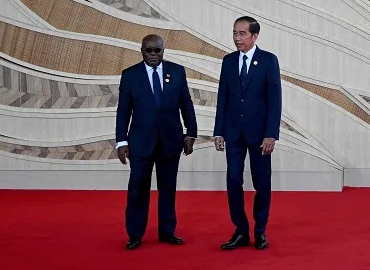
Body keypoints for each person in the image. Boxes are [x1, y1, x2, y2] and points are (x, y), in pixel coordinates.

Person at [116, 34, 198, 250]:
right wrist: (121, 141)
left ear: (163, 50)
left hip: (171, 141)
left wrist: (191, 133)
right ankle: (135, 234)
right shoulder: (130, 75)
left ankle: (167, 231)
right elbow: (123, 111)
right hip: (140, 143)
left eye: (157, 50)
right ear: (141, 51)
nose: (153, 54)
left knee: (168, 188)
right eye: (148, 51)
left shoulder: (177, 72)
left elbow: (186, 104)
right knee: (137, 189)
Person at [213, 16, 282, 251]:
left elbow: (275, 100)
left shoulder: (269, 60)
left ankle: (260, 230)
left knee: (262, 183)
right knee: (233, 180)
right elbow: (223, 97)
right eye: (235, 33)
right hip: (233, 133)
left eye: (242, 33)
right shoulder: (228, 61)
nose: (237, 38)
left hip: (260, 135)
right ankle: (240, 230)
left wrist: (271, 134)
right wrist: (218, 131)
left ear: (254, 36)